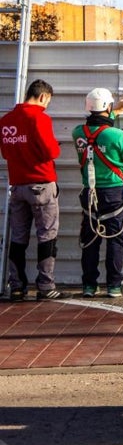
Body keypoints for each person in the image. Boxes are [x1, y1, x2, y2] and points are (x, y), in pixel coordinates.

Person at [72, 88, 123, 298]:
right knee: (116, 238)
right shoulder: (118, 135)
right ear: (108, 106)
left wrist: (115, 112)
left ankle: (89, 285)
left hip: (89, 193)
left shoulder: (78, 132)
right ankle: (114, 286)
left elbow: (97, 129)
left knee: (90, 238)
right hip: (114, 194)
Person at [1, 79, 61, 300]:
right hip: (41, 184)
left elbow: (6, 153)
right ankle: (46, 286)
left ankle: (16, 286)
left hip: (17, 185)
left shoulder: (6, 120)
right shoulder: (39, 118)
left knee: (18, 237)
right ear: (43, 96)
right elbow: (51, 151)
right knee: (47, 236)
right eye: (48, 101)